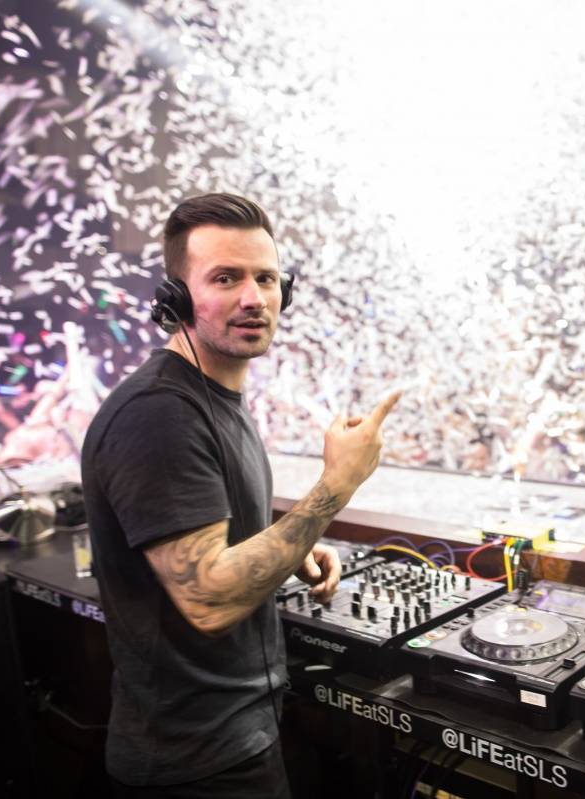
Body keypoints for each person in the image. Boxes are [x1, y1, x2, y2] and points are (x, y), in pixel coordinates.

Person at [81, 192, 399, 797]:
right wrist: (337, 485)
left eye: (266, 278)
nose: (254, 298)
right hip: (195, 765)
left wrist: (291, 547)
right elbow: (209, 599)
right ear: (175, 299)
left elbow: (215, 539)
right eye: (225, 278)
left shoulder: (211, 396)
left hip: (230, 739)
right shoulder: (160, 414)